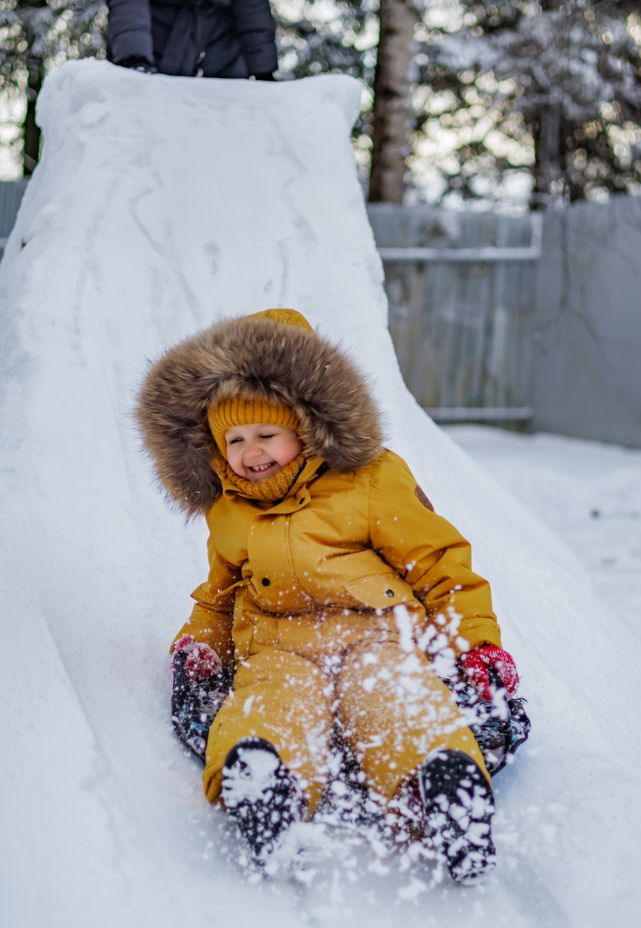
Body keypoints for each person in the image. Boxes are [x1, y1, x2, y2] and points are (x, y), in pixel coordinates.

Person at [136, 308, 525, 885]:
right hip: (280, 650)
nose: (251, 452)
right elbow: (218, 596)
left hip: (376, 637)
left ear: (309, 425)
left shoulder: (370, 478)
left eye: (266, 434)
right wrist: (201, 645)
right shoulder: (230, 508)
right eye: (235, 439)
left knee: (394, 701)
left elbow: (440, 565)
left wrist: (476, 644)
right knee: (271, 706)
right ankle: (267, 784)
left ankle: (441, 784)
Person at [106, 0, 277, 80]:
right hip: (156, 59)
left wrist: (263, 71)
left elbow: (253, 12)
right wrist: (135, 58)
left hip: (222, 68)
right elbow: (128, 7)